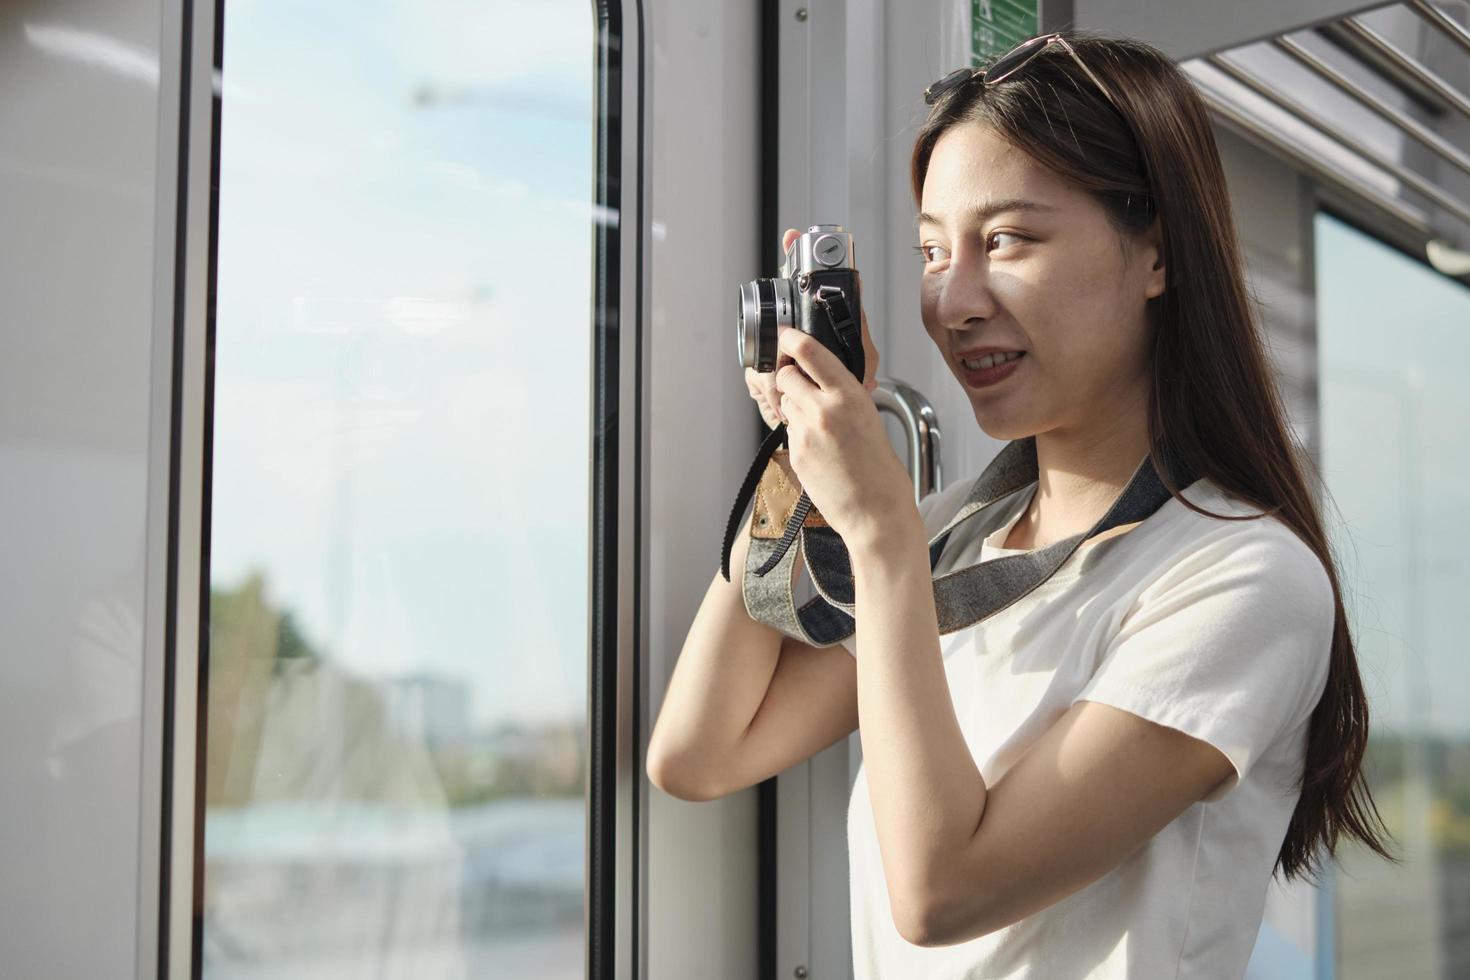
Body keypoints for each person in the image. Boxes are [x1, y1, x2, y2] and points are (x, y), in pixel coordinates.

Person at [646, 28, 1394, 979]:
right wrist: (798, 462)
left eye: (1005, 240)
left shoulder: (1247, 577)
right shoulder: (963, 532)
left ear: (1156, 254)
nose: (952, 299)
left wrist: (878, 531)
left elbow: (940, 891)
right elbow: (699, 754)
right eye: (930, 251)